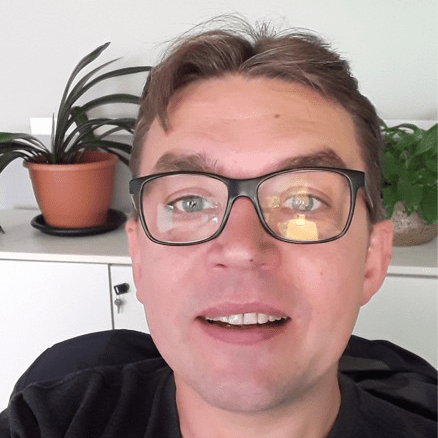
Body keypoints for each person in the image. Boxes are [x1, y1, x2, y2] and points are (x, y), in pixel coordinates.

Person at [1, 18, 436, 438]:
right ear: (139, 258)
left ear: (372, 259)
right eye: (190, 202)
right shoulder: (48, 423)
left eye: (303, 201)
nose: (242, 247)